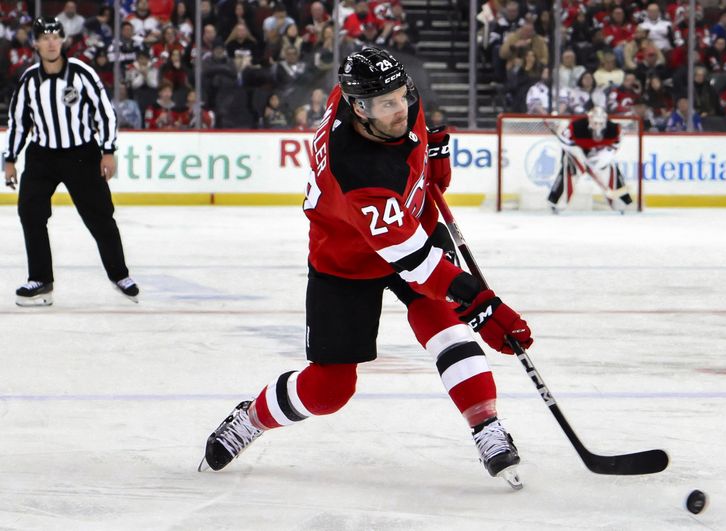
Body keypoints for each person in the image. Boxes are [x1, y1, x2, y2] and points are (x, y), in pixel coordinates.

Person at [200, 48, 533, 489]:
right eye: (388, 104)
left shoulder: (370, 94)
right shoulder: (358, 172)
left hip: (408, 226)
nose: (402, 109)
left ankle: (485, 425)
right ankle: (252, 417)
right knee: (329, 390)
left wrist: (429, 151)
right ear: (358, 109)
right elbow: (418, 264)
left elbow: (405, 142)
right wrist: (484, 306)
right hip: (347, 260)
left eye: (403, 96)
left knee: (444, 324)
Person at [3, 17, 138, 306]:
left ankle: (119, 275)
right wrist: (10, 158)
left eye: (55, 36)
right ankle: (41, 280)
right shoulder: (29, 79)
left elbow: (105, 111)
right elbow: (17, 123)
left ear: (63, 40)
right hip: (41, 156)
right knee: (31, 214)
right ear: (36, 43)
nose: (51, 42)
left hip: (81, 154)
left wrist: (108, 150)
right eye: (45, 37)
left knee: (100, 216)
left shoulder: (81, 73)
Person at [547, 107, 634, 212]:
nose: (598, 126)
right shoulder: (576, 127)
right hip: (578, 154)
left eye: (601, 123)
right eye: (595, 123)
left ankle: (622, 202)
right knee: (569, 167)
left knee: (612, 168)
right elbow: (565, 144)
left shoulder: (614, 129)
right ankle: (556, 202)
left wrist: (599, 158)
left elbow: (613, 149)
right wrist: (579, 155)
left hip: (599, 156)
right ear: (589, 120)